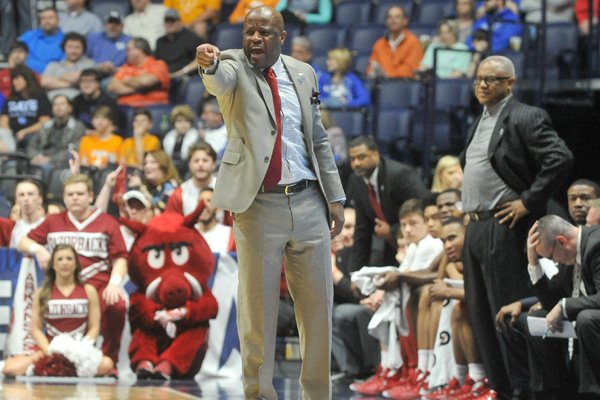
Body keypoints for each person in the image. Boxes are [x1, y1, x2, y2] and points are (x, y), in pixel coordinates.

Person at [196, 6, 345, 399]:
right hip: (259, 204)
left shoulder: (304, 72)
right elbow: (218, 81)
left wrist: (336, 197)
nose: (255, 39)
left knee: (317, 312)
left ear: (281, 38)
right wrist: (209, 65)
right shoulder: (232, 66)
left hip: (310, 199)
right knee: (257, 314)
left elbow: (319, 139)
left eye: (264, 32)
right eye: (249, 32)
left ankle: (317, 395)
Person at [459, 55, 573, 398]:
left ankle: (521, 389)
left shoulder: (526, 116)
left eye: (492, 79)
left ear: (510, 83)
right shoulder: (478, 120)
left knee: (504, 311)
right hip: (476, 226)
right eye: (479, 79)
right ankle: (499, 388)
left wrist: (528, 200)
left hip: (505, 225)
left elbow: (560, 158)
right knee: (480, 313)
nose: (482, 85)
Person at [18, 174, 129, 367]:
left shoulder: (107, 222)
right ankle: (54, 358)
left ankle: (109, 360)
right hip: (60, 286)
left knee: (116, 304)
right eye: (70, 194)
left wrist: (114, 283)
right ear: (64, 198)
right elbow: (22, 242)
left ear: (91, 196)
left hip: (98, 284)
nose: (75, 198)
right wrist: (39, 249)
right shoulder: (53, 221)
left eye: (80, 193)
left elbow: (120, 257)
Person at [1, 244, 114, 377]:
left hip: (80, 351)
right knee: (10, 368)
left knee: (107, 365)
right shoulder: (42, 292)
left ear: (76, 264)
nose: (64, 263)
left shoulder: (89, 291)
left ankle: (60, 369)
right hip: (49, 348)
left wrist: (82, 348)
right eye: (59, 259)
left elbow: (94, 326)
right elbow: (36, 329)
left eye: (69, 259)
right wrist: (49, 350)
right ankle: (57, 367)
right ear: (53, 265)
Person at [527, 215, 600, 398]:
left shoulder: (597, 245)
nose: (553, 261)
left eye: (550, 257)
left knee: (586, 318)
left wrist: (564, 305)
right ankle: (552, 393)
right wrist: (533, 262)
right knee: (537, 319)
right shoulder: (570, 254)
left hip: (590, 321)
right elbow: (550, 302)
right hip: (584, 322)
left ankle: (591, 394)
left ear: (561, 241)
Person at [348, 135, 430, 268]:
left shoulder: (399, 175)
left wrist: (392, 231)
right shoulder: (356, 180)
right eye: (352, 159)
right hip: (389, 244)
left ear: (375, 155)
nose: (356, 163)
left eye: (361, 157)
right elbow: (362, 229)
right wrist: (356, 273)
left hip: (417, 241)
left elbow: (426, 206)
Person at [26, 94, 86, 176]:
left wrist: (50, 159)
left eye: (62, 104)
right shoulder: (46, 126)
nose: (58, 107)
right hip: (41, 159)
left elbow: (74, 151)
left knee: (45, 169)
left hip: (63, 163)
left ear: (70, 108)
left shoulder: (77, 127)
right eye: (55, 104)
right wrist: (35, 157)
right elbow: (31, 145)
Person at [107, 37, 170, 107]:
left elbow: (147, 82)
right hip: (126, 110)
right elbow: (112, 87)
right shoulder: (125, 68)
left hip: (154, 108)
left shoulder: (158, 64)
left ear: (139, 50)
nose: (126, 53)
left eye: (128, 50)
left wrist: (126, 80)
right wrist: (143, 89)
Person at [0, 66, 51, 150]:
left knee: (30, 139)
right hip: (11, 136)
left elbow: (45, 122)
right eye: (13, 79)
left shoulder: (40, 96)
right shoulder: (11, 98)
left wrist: (25, 132)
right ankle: (9, 157)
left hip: (33, 134)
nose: (14, 82)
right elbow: (4, 121)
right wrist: (9, 134)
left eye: (17, 78)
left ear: (27, 78)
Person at [367, 5, 424, 79]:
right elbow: (371, 67)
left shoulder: (413, 42)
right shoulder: (379, 44)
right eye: (389, 17)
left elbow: (410, 70)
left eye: (397, 17)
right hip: (381, 85)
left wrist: (388, 75)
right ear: (386, 21)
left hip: (404, 86)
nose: (393, 20)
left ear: (405, 21)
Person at [165, 142, 217, 215]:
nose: (200, 164)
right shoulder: (179, 194)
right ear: (189, 164)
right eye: (196, 161)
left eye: (205, 160)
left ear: (214, 164)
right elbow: (172, 224)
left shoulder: (224, 190)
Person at [41, 32, 96, 100]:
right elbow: (45, 82)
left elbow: (78, 78)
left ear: (83, 50)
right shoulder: (53, 65)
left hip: (78, 103)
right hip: (53, 103)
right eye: (70, 47)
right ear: (64, 48)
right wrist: (73, 84)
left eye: (77, 47)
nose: (73, 51)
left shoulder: (89, 64)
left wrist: (57, 79)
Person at [155, 9, 204, 81]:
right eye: (167, 21)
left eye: (173, 21)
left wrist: (183, 71)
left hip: (186, 76)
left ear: (180, 22)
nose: (170, 24)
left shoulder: (191, 38)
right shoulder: (160, 41)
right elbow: (157, 63)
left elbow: (201, 59)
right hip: (164, 77)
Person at [0, 179, 45, 248]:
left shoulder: (49, 225)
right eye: (21, 195)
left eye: (30, 194)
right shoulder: (10, 227)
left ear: (40, 198)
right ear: (16, 200)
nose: (26, 198)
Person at [19, 7, 64, 74]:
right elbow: (15, 54)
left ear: (58, 20)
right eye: (43, 18)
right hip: (27, 77)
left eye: (50, 18)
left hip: (54, 78)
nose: (46, 21)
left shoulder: (65, 40)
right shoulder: (28, 36)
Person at [86, 11, 131, 78]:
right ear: (105, 25)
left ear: (122, 26)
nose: (113, 26)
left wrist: (115, 69)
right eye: (110, 23)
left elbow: (134, 64)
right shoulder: (93, 38)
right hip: (93, 74)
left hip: (118, 75)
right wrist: (96, 66)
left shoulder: (129, 41)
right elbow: (84, 58)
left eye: (117, 23)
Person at [162, 105, 200, 173]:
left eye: (186, 121)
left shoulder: (197, 137)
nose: (183, 124)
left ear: (191, 123)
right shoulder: (168, 137)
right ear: (174, 123)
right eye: (179, 121)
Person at [195, 188, 234, 254]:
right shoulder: (188, 231)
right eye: (201, 201)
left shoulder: (230, 234)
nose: (204, 205)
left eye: (209, 201)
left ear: (218, 208)